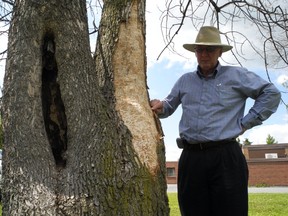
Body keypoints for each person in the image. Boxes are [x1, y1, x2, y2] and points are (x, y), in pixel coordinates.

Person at [150, 26, 281, 216]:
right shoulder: (184, 81)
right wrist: (158, 105)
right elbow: (168, 107)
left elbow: (271, 93)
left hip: (226, 157)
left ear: (220, 51)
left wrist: (246, 123)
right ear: (195, 52)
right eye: (199, 50)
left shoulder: (237, 75)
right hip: (191, 158)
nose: (204, 54)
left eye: (209, 49)